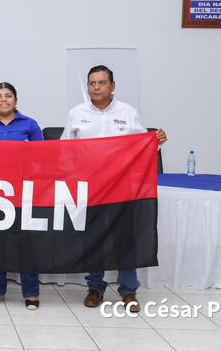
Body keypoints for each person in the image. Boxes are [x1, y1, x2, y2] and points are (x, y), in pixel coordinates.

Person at [62, 64, 168, 313]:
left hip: (121, 188)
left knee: (124, 239)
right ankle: (95, 288)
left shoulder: (128, 112)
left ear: (112, 85)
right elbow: (65, 149)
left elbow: (142, 146)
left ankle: (128, 290)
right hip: (90, 188)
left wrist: (157, 142)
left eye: (101, 82)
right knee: (93, 238)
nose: (96, 87)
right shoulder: (77, 113)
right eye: (92, 83)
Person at [0, 82, 43, 309]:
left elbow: (44, 159)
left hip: (23, 192)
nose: (3, 100)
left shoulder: (30, 124)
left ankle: (31, 293)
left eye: (8, 96)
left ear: (16, 99)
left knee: (27, 244)